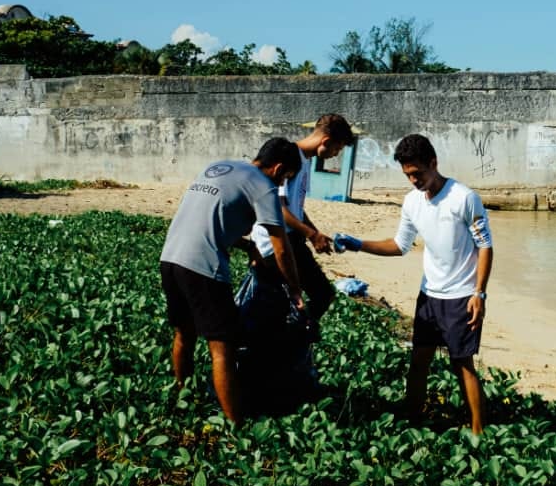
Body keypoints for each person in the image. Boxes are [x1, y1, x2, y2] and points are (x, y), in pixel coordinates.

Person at [333, 134, 493, 434]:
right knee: (418, 362)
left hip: (461, 296)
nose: (413, 180)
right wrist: (358, 244)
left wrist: (479, 293)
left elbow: (485, 246)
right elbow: (399, 245)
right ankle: (413, 423)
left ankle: (478, 432)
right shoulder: (411, 202)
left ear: (433, 163)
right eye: (407, 175)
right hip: (429, 295)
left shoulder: (464, 197)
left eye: (417, 173)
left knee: (462, 365)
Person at [160, 137, 305, 425]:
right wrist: (295, 289)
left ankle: (181, 397)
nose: (282, 186)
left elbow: (210, 219)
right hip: (203, 268)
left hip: (170, 258)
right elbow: (280, 247)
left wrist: (248, 246)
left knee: (184, 334)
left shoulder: (221, 167)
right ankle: (236, 425)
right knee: (222, 347)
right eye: (285, 179)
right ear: (278, 169)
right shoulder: (264, 187)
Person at [250, 114, 356, 338]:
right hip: (276, 241)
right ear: (325, 142)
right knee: (322, 294)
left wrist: (314, 233)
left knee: (281, 303)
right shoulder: (289, 157)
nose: (336, 155)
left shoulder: (304, 161)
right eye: (337, 149)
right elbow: (276, 208)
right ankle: (294, 340)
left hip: (290, 238)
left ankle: (288, 338)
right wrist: (309, 233)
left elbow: (294, 206)